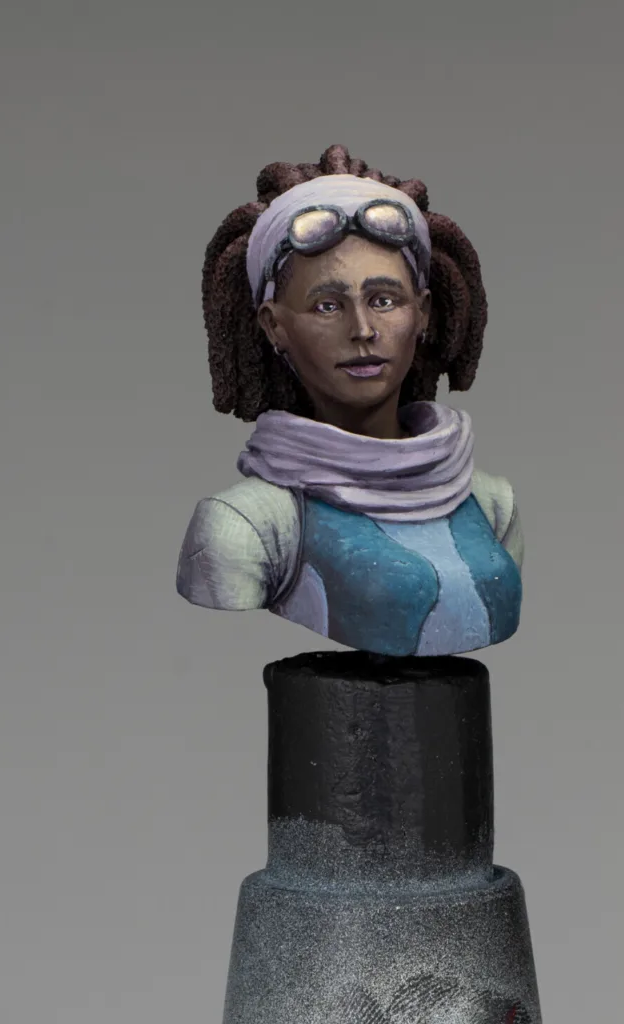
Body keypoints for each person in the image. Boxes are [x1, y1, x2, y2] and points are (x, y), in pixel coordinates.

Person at [177, 144, 523, 657]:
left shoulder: (491, 504)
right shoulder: (245, 527)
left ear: (423, 312)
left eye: (385, 300)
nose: (362, 329)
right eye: (327, 305)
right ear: (274, 326)